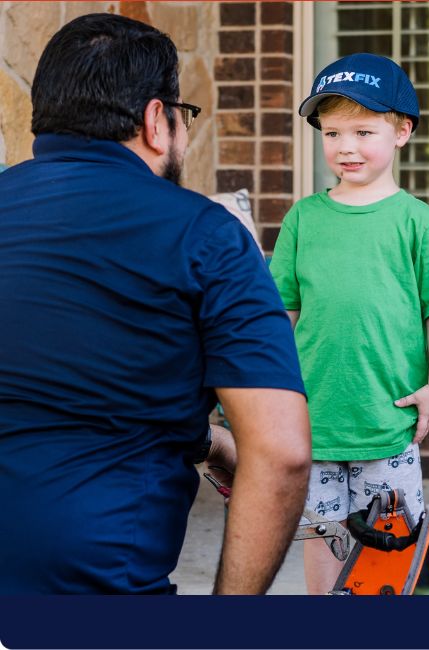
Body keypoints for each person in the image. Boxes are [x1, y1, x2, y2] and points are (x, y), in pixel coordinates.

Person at [0, 13, 311, 595]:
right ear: (155, 121)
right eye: (183, 116)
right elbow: (282, 453)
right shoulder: (205, 235)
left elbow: (56, 382)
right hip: (96, 592)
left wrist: (199, 441)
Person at [270, 53, 429, 594]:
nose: (346, 146)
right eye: (332, 132)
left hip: (386, 416)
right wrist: (271, 389)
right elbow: (280, 311)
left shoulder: (417, 222)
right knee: (324, 536)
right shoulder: (303, 219)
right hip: (316, 416)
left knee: (393, 543)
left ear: (402, 131)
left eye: (363, 130)